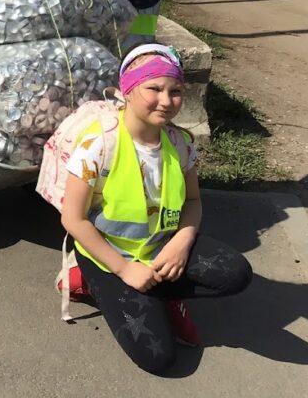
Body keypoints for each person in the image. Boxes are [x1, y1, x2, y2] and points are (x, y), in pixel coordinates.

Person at [60, 44, 252, 374]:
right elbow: (73, 219)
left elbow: (193, 202)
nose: (166, 101)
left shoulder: (181, 143)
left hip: (162, 247)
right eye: (154, 88)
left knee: (237, 274)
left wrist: (181, 244)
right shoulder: (99, 145)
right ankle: (89, 280)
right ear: (127, 90)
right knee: (160, 358)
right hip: (111, 257)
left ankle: (161, 291)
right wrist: (124, 270)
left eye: (175, 91)